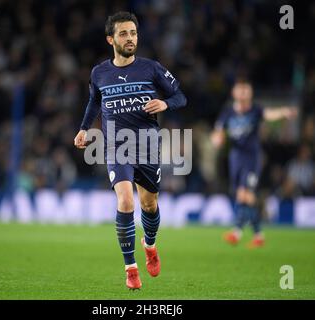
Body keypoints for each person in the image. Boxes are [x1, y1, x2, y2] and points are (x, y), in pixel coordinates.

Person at [74, 12, 187, 289]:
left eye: (134, 33)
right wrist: (84, 128)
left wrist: (165, 104)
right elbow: (94, 102)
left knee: (149, 205)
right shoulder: (99, 72)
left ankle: (150, 246)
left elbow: (180, 96)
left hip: (148, 146)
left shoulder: (151, 68)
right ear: (111, 39)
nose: (130, 38)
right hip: (117, 145)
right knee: (125, 202)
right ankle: (131, 268)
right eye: (124, 34)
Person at [211, 80, 297, 248]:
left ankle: (237, 231)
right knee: (241, 195)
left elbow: (269, 114)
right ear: (234, 93)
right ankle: (258, 234)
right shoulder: (228, 111)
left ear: (250, 93)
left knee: (246, 194)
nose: (243, 93)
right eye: (240, 90)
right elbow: (218, 131)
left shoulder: (255, 110)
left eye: (246, 90)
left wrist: (284, 112)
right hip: (235, 157)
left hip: (252, 157)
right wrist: (216, 139)